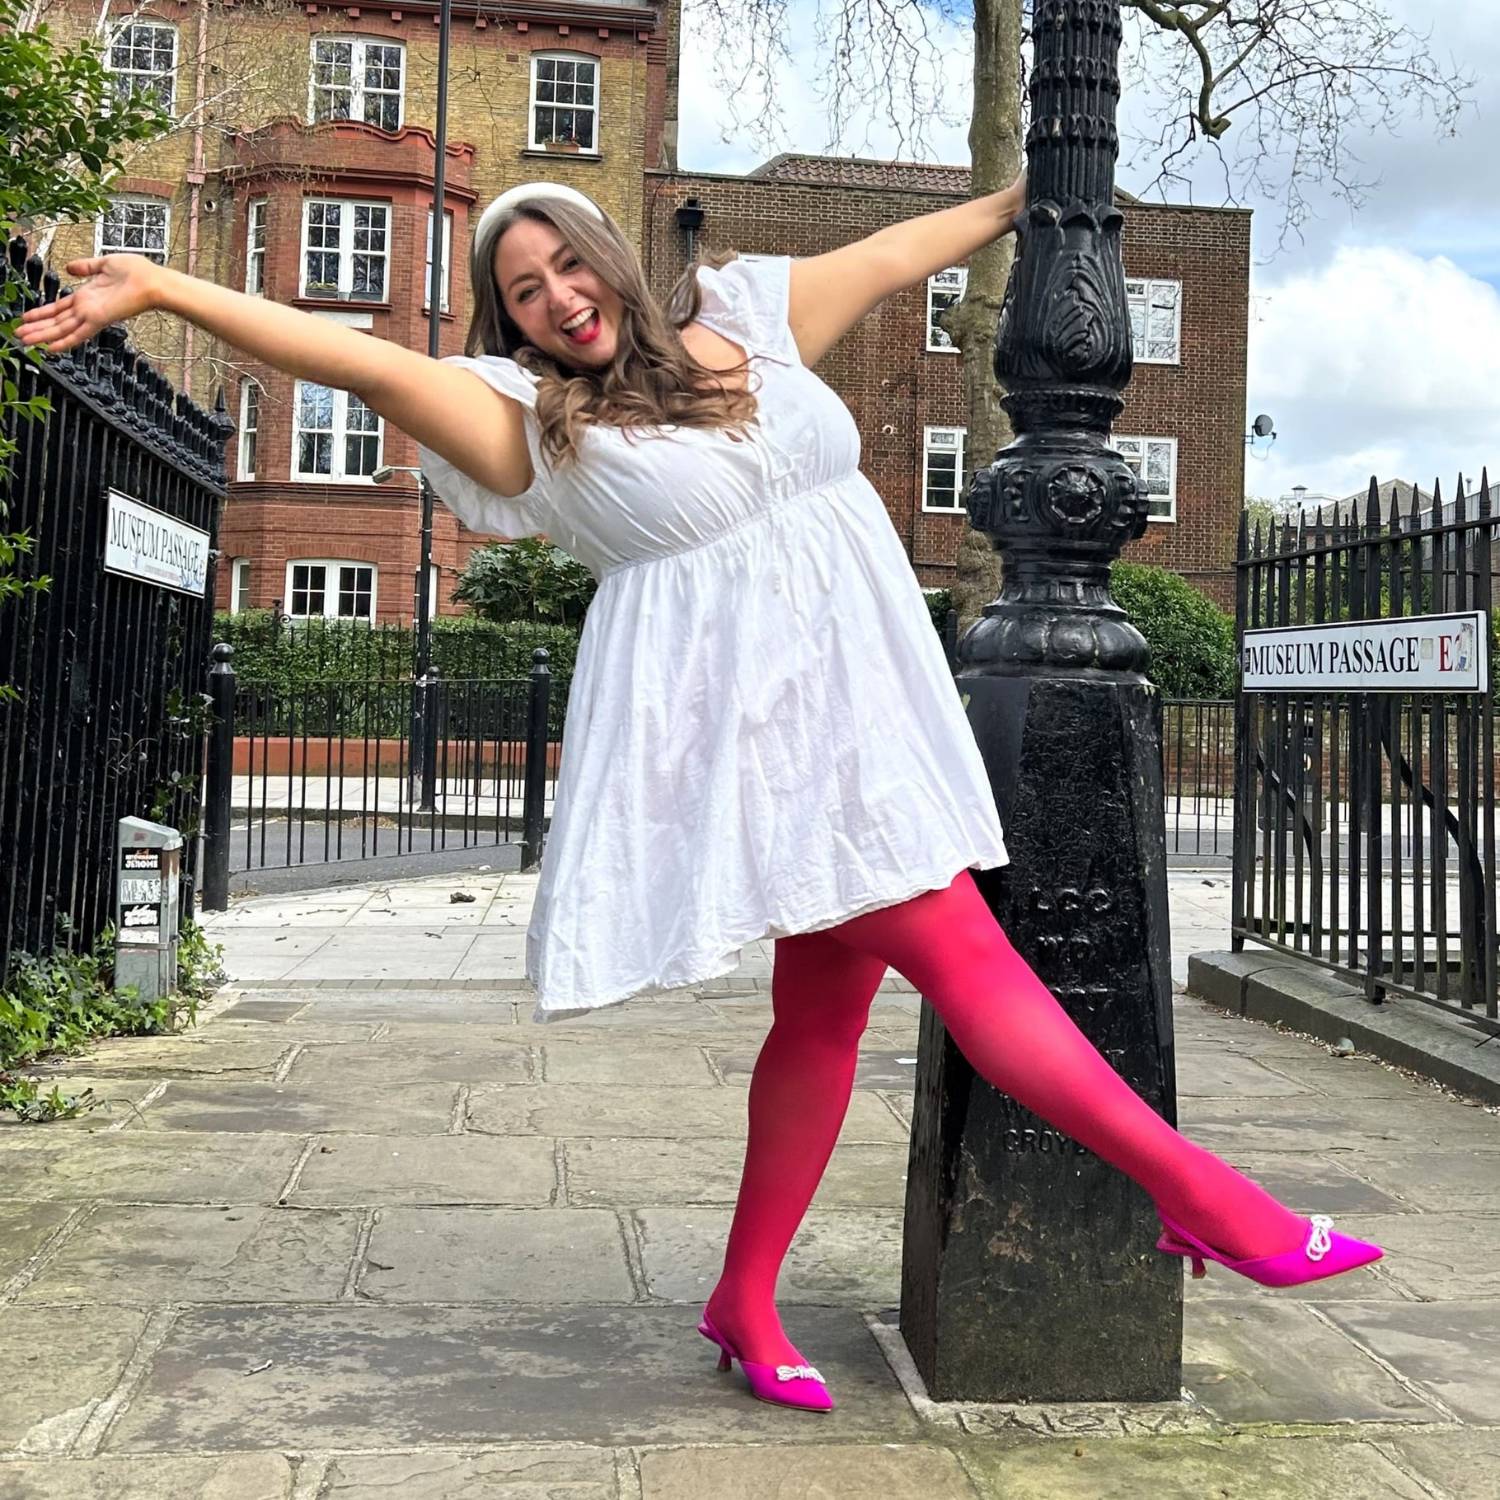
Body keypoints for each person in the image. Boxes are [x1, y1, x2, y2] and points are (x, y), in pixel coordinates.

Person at [20, 179, 1383, 1414]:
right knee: (970, 964)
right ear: (509, 321)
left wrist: (1023, 196)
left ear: (609, 258)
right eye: (523, 293)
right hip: (766, 752)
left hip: (866, 712)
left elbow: (892, 254)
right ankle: (1205, 1198)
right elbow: (354, 357)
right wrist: (162, 286)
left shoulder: (745, 319)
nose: (559, 299)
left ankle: (742, 1298)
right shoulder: (525, 427)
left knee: (823, 1017)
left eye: (568, 265)